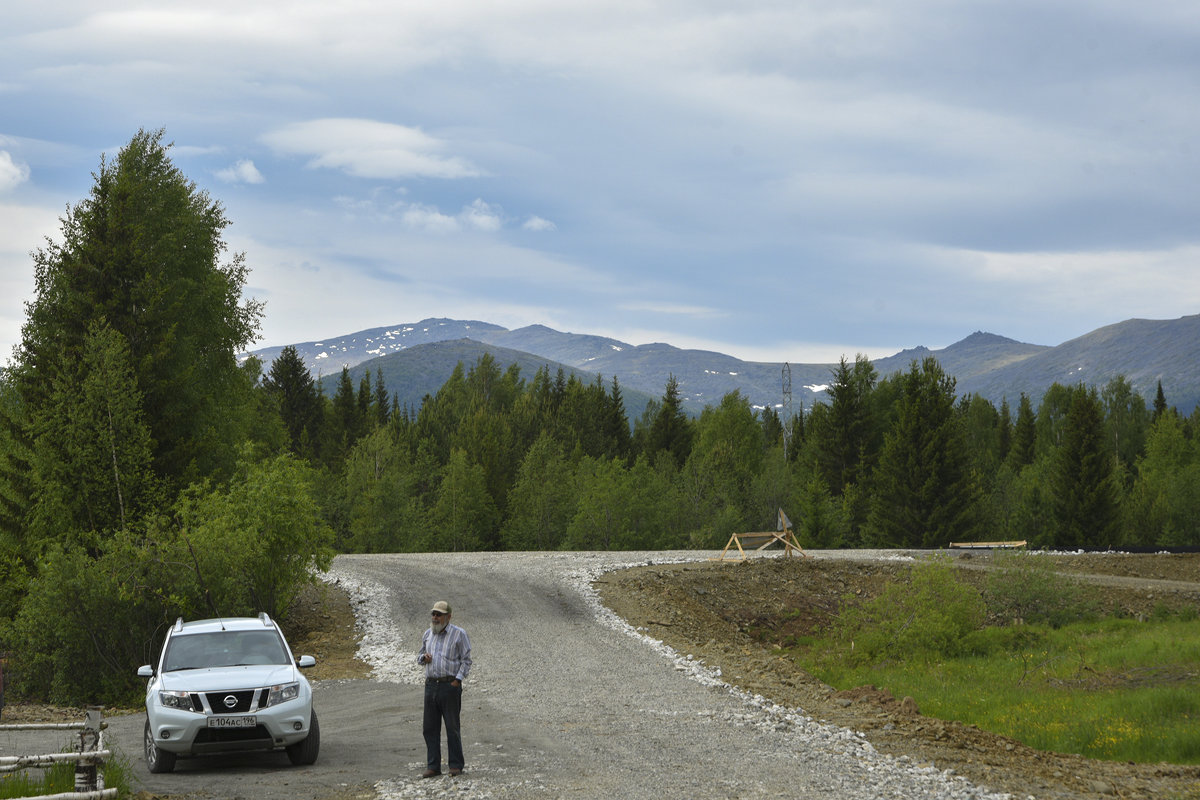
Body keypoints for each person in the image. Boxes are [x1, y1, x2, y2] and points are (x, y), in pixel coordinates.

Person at [417, 600, 472, 778]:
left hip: (449, 686)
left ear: (448, 617)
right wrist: (423, 658)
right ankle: (433, 766)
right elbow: (419, 656)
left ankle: (455, 765)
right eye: (433, 613)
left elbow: (466, 660)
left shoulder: (459, 634)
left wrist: (457, 680)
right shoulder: (428, 634)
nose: (435, 617)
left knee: (452, 727)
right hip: (431, 685)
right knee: (429, 728)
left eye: (439, 614)